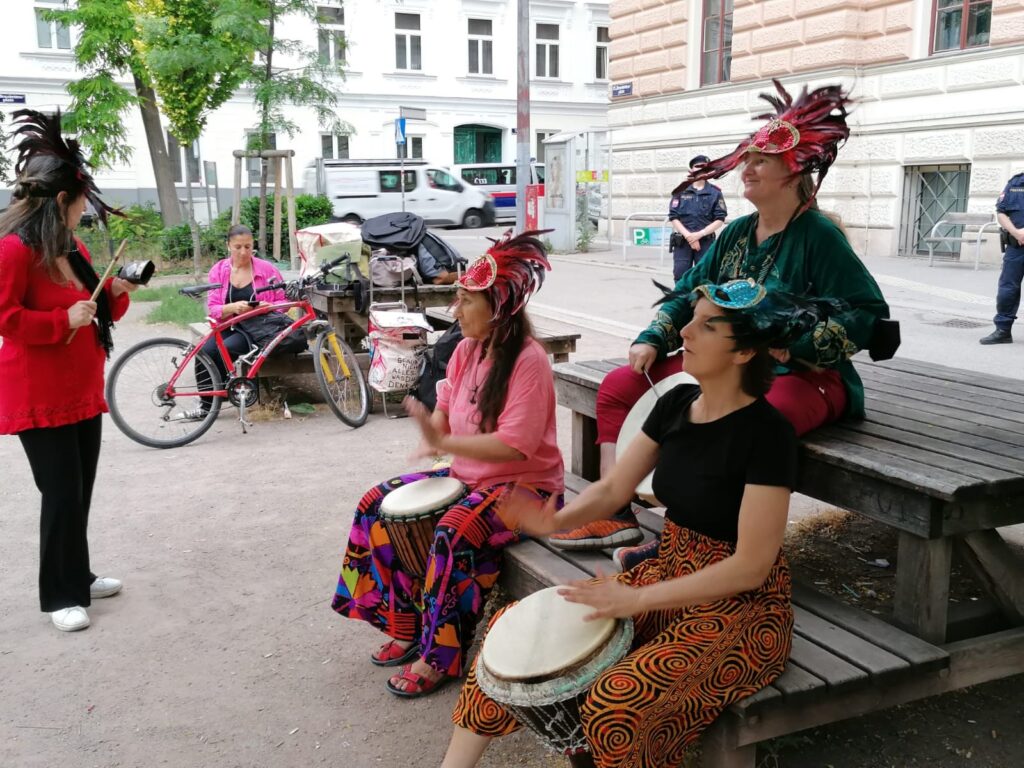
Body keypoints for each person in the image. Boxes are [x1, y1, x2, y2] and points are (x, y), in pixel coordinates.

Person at [442, 281, 835, 768]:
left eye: (707, 325)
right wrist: (554, 519)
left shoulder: (768, 434)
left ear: (745, 352)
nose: (685, 330)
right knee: (517, 636)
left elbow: (752, 566)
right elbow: (612, 490)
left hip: (744, 609)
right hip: (669, 569)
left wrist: (636, 598)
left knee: (615, 704)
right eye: (692, 316)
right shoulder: (675, 403)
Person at [549, 79, 890, 554]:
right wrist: (653, 337)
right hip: (731, 364)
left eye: (760, 161)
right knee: (620, 386)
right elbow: (688, 294)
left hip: (803, 376)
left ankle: (699, 542)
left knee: (749, 418)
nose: (746, 168)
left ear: (793, 172)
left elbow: (869, 313)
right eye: (746, 158)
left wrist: (794, 343)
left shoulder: (818, 237)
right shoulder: (736, 233)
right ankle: (615, 513)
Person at [330, 230, 564, 698]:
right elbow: (446, 406)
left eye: (465, 301)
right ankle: (407, 622)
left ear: (499, 307)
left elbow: (516, 447)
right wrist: (434, 433)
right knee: (376, 503)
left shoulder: (528, 360)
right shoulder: (464, 350)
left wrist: (446, 440)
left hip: (528, 487)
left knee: (452, 532)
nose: (456, 310)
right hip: (470, 477)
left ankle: (441, 656)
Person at [0, 110, 137, 632]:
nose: (85, 213)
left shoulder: (68, 245)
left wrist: (116, 294)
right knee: (60, 493)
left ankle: (77, 575)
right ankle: (59, 595)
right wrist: (59, 321)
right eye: (83, 204)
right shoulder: (14, 250)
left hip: (81, 388)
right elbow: (5, 317)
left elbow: (97, 309)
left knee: (81, 489)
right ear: (61, 201)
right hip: (37, 393)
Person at [188, 224, 287, 418]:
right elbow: (213, 308)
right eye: (238, 247)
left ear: (253, 245)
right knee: (203, 351)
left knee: (226, 348)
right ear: (228, 246)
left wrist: (266, 307)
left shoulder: (267, 269)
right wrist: (232, 308)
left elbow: (284, 301)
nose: (243, 252)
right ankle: (206, 403)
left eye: (248, 247)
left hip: (257, 328)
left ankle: (225, 390)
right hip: (227, 324)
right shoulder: (219, 270)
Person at [980, 170, 1024, 345]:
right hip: (1016, 246)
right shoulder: (1015, 183)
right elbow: (1001, 212)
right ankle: (1003, 330)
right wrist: (1016, 232)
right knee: (1008, 288)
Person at [668, 154, 727, 281]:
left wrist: (699, 235)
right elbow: (673, 216)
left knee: (704, 277)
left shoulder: (715, 192)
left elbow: (720, 218)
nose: (701, 170)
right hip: (683, 242)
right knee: (680, 276)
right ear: (691, 169)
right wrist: (689, 237)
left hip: (705, 242)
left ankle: (699, 301)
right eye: (697, 166)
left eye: (704, 167)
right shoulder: (681, 190)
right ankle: (683, 301)